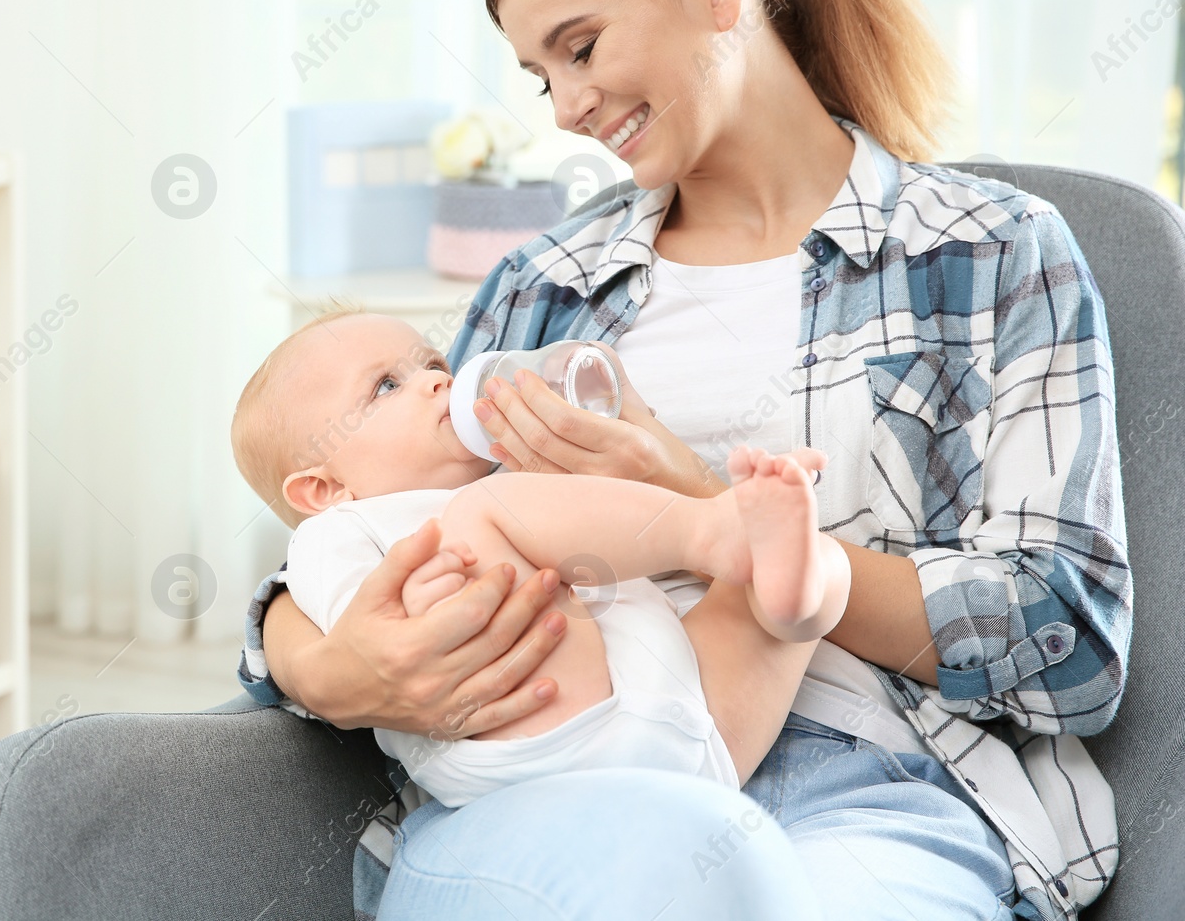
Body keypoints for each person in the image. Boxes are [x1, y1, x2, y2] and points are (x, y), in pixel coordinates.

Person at [237, 0, 1130, 918]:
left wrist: (706, 504)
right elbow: (366, 513)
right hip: (553, 788)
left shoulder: (988, 252)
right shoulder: (546, 287)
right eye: (539, 76)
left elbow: (1068, 642)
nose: (566, 106)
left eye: (581, 47)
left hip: (873, 783)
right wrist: (328, 668)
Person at [230, 306, 851, 808]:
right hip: (532, 739)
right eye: (387, 386)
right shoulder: (337, 530)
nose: (436, 382)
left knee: (814, 563)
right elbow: (359, 635)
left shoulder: (519, 483)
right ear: (323, 488)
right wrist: (416, 610)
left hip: (697, 740)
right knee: (486, 507)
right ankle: (710, 528)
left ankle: (793, 598)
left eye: (432, 362)